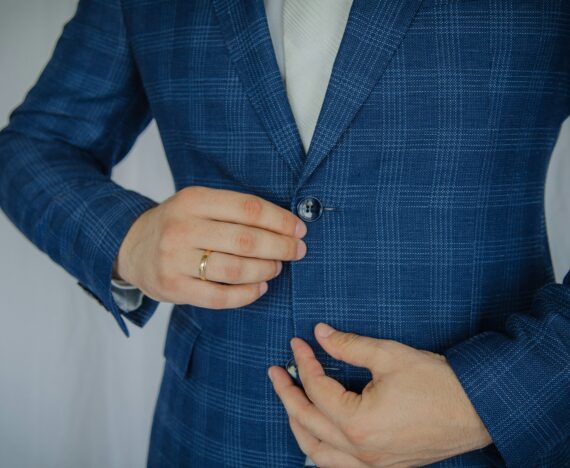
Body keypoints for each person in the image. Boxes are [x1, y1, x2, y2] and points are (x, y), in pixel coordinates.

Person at [0, 0, 569, 466]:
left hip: (477, 443)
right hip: (214, 432)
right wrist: (129, 238)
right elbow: (33, 147)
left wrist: (487, 401)